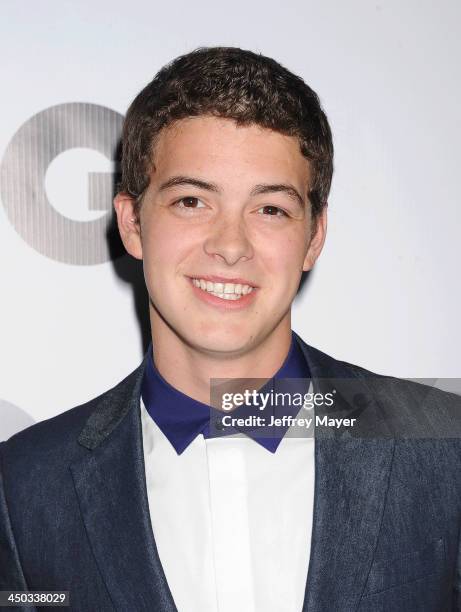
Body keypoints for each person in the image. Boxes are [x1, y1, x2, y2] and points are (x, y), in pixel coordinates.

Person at [1, 47, 460, 612]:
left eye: (270, 209)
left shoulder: (446, 450)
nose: (230, 245)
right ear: (132, 223)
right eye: (192, 201)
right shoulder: (24, 491)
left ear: (314, 237)